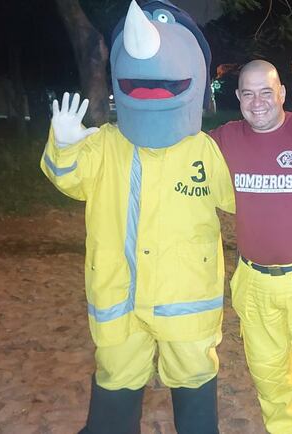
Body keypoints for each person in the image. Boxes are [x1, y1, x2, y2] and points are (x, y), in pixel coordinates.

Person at [40, 2, 234, 433]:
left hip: (185, 299)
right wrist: (65, 146)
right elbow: (66, 179)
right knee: (116, 380)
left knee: (194, 382)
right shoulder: (105, 144)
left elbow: (245, 198)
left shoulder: (204, 149)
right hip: (119, 299)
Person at [209, 60, 292, 434]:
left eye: (266, 92)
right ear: (238, 97)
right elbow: (177, 152)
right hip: (253, 282)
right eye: (248, 94)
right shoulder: (224, 139)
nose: (258, 102)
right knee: (270, 382)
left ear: (282, 93)